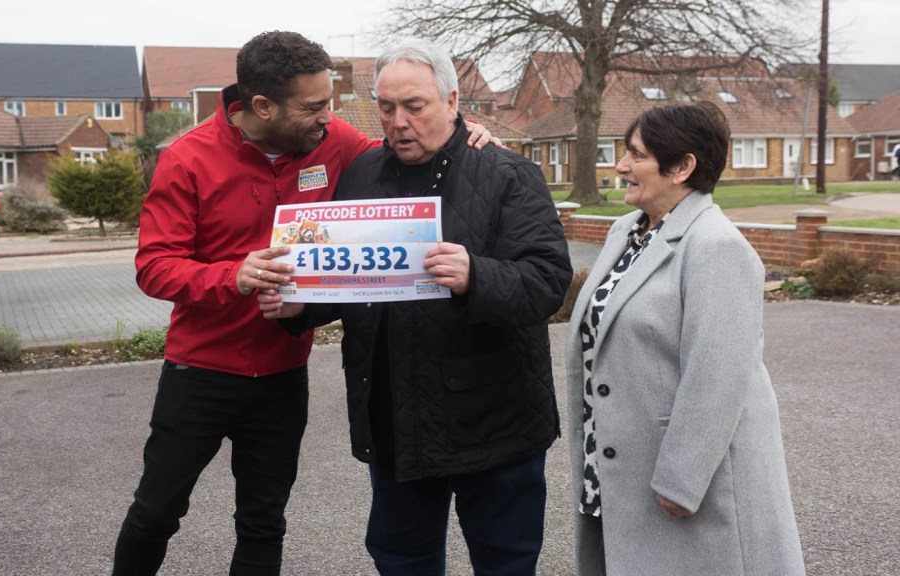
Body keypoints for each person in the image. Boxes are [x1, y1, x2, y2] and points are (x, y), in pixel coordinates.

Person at [113, 31, 495, 576]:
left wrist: (466, 130)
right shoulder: (186, 159)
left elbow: (401, 148)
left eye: (331, 104)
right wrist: (232, 275)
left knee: (265, 522)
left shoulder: (331, 138)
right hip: (199, 371)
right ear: (262, 106)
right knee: (157, 512)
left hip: (280, 374)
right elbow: (154, 266)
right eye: (314, 107)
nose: (330, 118)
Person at [260, 39, 573, 575]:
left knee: (505, 561)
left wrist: (477, 275)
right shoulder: (361, 176)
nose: (398, 121)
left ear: (452, 102)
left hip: (495, 423)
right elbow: (348, 276)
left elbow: (547, 283)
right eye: (386, 108)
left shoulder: (507, 175)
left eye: (415, 106)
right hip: (396, 419)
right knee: (401, 559)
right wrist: (299, 306)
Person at [565, 102, 805, 576]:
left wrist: (682, 479)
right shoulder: (626, 233)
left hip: (686, 484)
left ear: (682, 167)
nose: (621, 166)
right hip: (619, 467)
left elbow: (718, 375)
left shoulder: (717, 247)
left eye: (635, 155)